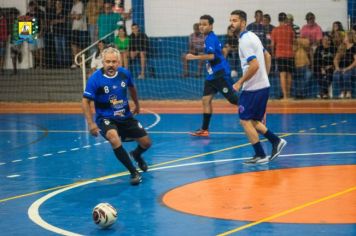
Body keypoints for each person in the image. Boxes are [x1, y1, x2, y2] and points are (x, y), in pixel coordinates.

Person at [82, 47, 152, 185]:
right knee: (114, 138)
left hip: (125, 116)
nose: (111, 64)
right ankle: (133, 172)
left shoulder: (124, 74)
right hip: (105, 118)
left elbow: (132, 88)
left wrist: (137, 105)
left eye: (114, 61)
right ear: (103, 62)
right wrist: (91, 123)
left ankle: (136, 154)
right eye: (108, 61)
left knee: (146, 143)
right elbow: (85, 101)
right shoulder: (95, 79)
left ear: (118, 62)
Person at [230, 10, 287, 164]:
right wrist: (265, 78)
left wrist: (239, 82)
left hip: (253, 88)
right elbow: (267, 56)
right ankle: (275, 142)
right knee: (253, 120)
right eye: (231, 20)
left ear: (243, 22)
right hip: (261, 85)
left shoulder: (244, 41)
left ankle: (261, 154)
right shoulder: (253, 36)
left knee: (244, 120)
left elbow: (254, 66)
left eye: (235, 20)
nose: (232, 23)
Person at [186, 15, 238, 137]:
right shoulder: (208, 38)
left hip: (219, 73)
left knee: (233, 100)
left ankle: (258, 114)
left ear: (211, 26)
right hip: (211, 75)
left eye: (204, 24)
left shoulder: (210, 38)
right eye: (200, 24)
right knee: (206, 100)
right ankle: (204, 129)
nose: (201, 26)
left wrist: (194, 57)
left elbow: (212, 56)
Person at [271, 12, 295, 100]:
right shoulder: (290, 30)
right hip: (290, 54)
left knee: (282, 74)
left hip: (280, 55)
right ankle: (288, 95)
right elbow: (293, 42)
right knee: (289, 75)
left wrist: (273, 54)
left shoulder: (275, 30)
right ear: (285, 19)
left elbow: (272, 44)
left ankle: (285, 96)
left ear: (278, 19)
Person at [333, 31, 356, 99]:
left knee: (346, 74)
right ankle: (342, 92)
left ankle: (348, 92)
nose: (344, 38)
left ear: (349, 37)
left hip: (352, 68)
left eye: (345, 36)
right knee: (336, 74)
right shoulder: (342, 47)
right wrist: (337, 67)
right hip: (342, 68)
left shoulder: (354, 47)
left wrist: (347, 68)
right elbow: (335, 59)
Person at [314, 34, 336, 99]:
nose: (326, 41)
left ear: (330, 41)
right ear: (322, 40)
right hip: (319, 67)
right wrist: (321, 68)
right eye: (325, 39)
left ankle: (323, 93)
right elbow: (316, 61)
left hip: (330, 67)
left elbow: (337, 60)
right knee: (319, 76)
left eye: (328, 40)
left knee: (329, 75)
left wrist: (331, 66)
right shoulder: (319, 48)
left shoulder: (334, 48)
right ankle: (325, 93)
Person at [0, 8, 8, 74]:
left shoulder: (4, 20)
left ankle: (1, 69)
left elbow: (5, 30)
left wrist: (5, 39)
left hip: (2, 40)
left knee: (2, 55)